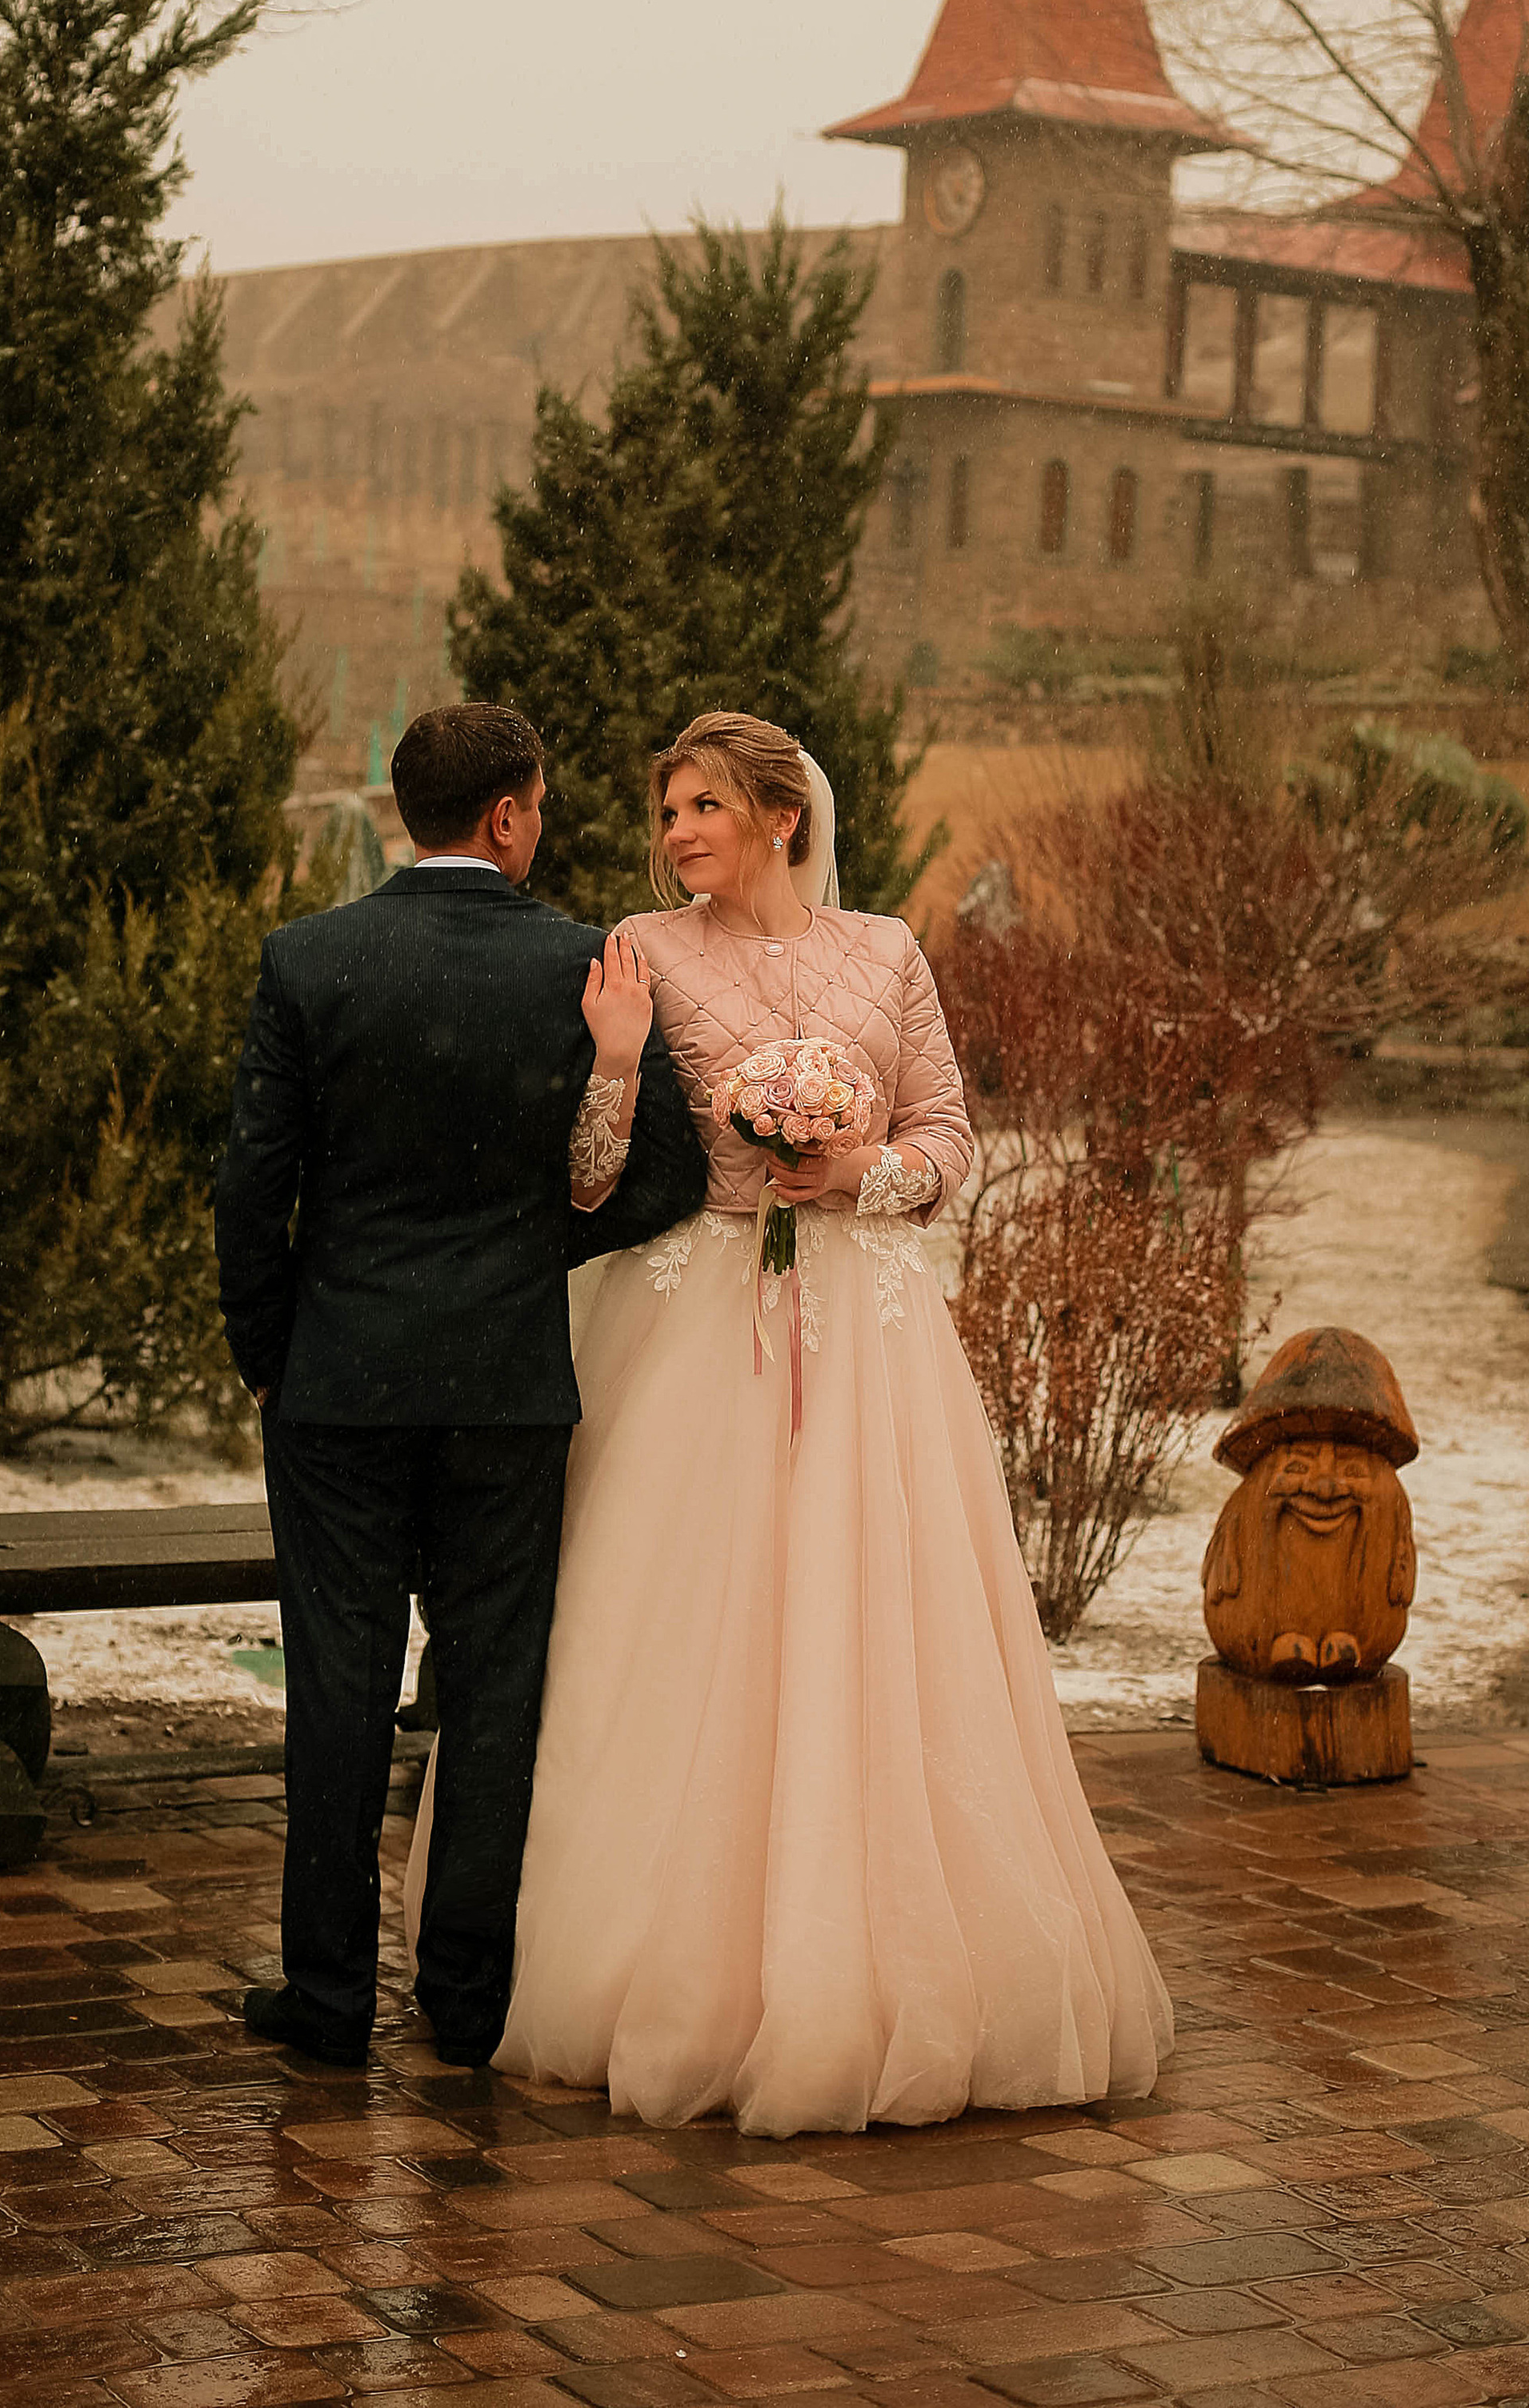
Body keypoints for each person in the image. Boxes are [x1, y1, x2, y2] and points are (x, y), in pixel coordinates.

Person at [406, 710, 1172, 2133]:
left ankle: (885, 1957)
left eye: (703, 806)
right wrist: (622, 1063)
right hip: (698, 1327)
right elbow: (586, 1180)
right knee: (677, 1628)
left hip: (871, 1335)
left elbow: (953, 1141)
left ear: (780, 815)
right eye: (666, 811)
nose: (677, 832)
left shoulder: (885, 951)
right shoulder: (635, 953)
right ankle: (643, 1954)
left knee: (880, 1629)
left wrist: (857, 1171)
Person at [215, 703, 706, 2072]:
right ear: (507, 815)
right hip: (504, 1388)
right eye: (538, 804)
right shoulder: (583, 970)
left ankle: (325, 2003)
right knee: (493, 1694)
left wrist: (274, 1357)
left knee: (337, 1689)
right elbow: (663, 1174)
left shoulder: (311, 962)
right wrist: (526, 1247)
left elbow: (253, 1191)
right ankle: (467, 2000)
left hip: (340, 1389)